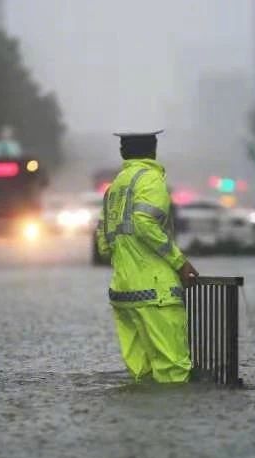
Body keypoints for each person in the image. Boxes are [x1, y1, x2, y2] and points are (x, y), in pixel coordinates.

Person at [95, 130, 198, 383]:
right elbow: (144, 223)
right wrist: (180, 262)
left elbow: (103, 244)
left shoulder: (115, 188)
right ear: (154, 150)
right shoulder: (151, 180)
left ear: (123, 153)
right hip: (156, 293)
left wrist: (126, 261)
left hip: (123, 294)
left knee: (142, 374)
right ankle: (172, 422)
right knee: (173, 371)